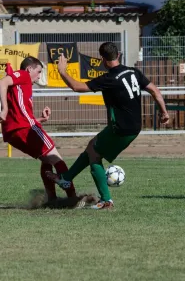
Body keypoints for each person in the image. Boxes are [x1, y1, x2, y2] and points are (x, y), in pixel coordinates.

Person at [51, 42, 170, 209]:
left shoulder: (109, 78)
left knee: (94, 155)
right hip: (135, 127)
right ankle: (66, 178)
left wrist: (62, 71)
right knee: (93, 145)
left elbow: (77, 86)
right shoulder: (134, 72)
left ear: (102, 59)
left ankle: (106, 200)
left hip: (120, 128)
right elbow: (155, 90)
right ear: (119, 55)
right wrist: (164, 112)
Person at [0, 57, 85, 207]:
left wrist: (40, 119)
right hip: (24, 128)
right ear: (29, 69)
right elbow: (1, 82)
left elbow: (19, 114)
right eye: (38, 72)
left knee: (46, 159)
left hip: (13, 132)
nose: (38, 76)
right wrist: (3, 109)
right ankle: (72, 198)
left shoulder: (20, 87)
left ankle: (52, 198)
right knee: (57, 158)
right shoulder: (23, 75)